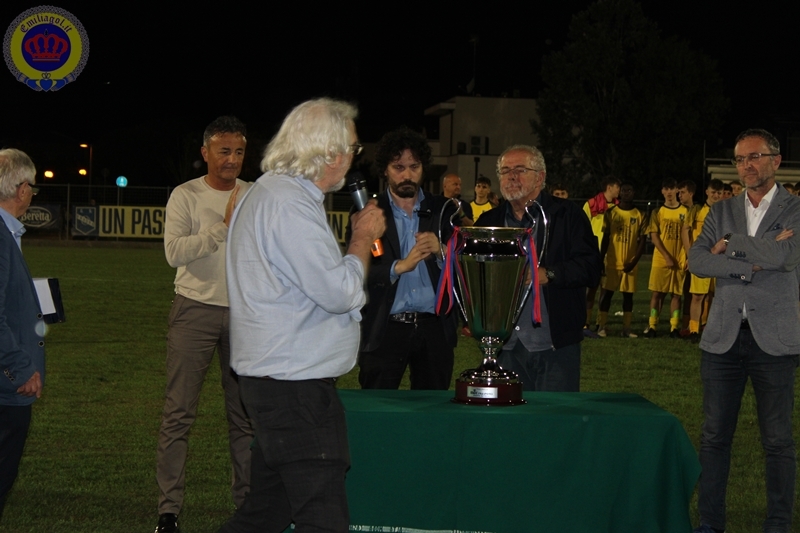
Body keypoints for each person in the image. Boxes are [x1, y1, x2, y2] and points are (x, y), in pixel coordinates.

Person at [218, 98, 386, 533]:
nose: (354, 156)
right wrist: (361, 239)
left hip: (279, 382)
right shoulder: (288, 204)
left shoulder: (274, 193)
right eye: (352, 147)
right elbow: (339, 293)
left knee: (264, 515)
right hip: (294, 389)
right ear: (329, 152)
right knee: (322, 518)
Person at [689, 129, 800, 533]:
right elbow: (698, 261)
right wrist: (749, 263)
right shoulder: (721, 209)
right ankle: (710, 523)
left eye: (754, 157)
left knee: (778, 441)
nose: (746, 166)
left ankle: (778, 524)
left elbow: (787, 256)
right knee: (714, 438)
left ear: (776, 160)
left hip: (775, 341)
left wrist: (731, 244)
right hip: (722, 339)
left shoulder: (795, 209)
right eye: (739, 159)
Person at [156, 116, 253, 533]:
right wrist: (222, 229)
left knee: (244, 417)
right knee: (178, 414)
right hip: (194, 310)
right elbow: (174, 253)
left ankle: (248, 506)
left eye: (239, 152)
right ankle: (169, 510)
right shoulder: (186, 195)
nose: (232, 159)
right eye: (224, 151)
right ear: (205, 152)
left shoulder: (254, 194)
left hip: (245, 315)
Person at [476, 145, 600, 391]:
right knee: (508, 415)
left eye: (520, 170)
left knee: (554, 415)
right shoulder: (488, 222)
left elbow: (591, 267)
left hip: (556, 347)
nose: (512, 176)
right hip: (504, 347)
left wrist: (548, 274)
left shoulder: (568, 215)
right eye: (505, 171)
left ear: (540, 177)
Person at [356, 127, 458, 390]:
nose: (407, 175)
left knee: (432, 409)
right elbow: (356, 271)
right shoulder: (369, 212)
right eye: (398, 167)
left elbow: (465, 266)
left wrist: (441, 251)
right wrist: (398, 267)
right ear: (385, 170)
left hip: (434, 328)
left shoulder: (443, 210)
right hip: (384, 328)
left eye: (414, 166)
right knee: (378, 407)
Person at [0, 149, 45, 520]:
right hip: (6, 383)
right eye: (32, 186)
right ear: (21, 189)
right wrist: (20, 367)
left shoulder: (8, 232)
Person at [597, 183, 645, 338]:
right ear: (620, 193)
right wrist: (601, 259)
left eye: (629, 190)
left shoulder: (640, 214)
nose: (626, 193)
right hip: (612, 261)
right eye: (624, 190)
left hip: (629, 263)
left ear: (634, 193)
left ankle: (626, 328)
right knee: (607, 294)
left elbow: (642, 241)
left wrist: (633, 262)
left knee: (628, 296)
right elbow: (605, 238)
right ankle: (601, 326)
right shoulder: (610, 212)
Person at [643, 178, 688, 338]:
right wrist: (667, 256)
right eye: (666, 189)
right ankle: (652, 326)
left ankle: (674, 328)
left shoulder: (685, 211)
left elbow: (688, 236)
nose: (669, 192)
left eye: (672, 189)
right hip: (661, 258)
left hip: (679, 258)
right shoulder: (657, 212)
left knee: (676, 295)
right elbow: (654, 236)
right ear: (662, 191)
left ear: (677, 190)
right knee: (657, 293)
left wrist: (686, 256)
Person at [681, 179, 723, 343]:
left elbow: (729, 235)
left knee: (713, 295)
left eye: (719, 193)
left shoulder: (724, 211)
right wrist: (690, 254)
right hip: (701, 258)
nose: (716, 195)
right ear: (707, 192)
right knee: (697, 296)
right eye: (713, 192)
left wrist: (723, 245)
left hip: (718, 260)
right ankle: (693, 330)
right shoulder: (697, 209)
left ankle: (708, 327)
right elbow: (685, 230)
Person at [583, 176, 620, 336]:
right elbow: (582, 228)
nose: (619, 190)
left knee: (606, 290)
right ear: (609, 187)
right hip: (594, 253)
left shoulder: (618, 207)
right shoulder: (591, 204)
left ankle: (601, 324)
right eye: (617, 187)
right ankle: (585, 322)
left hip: (611, 253)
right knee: (591, 288)